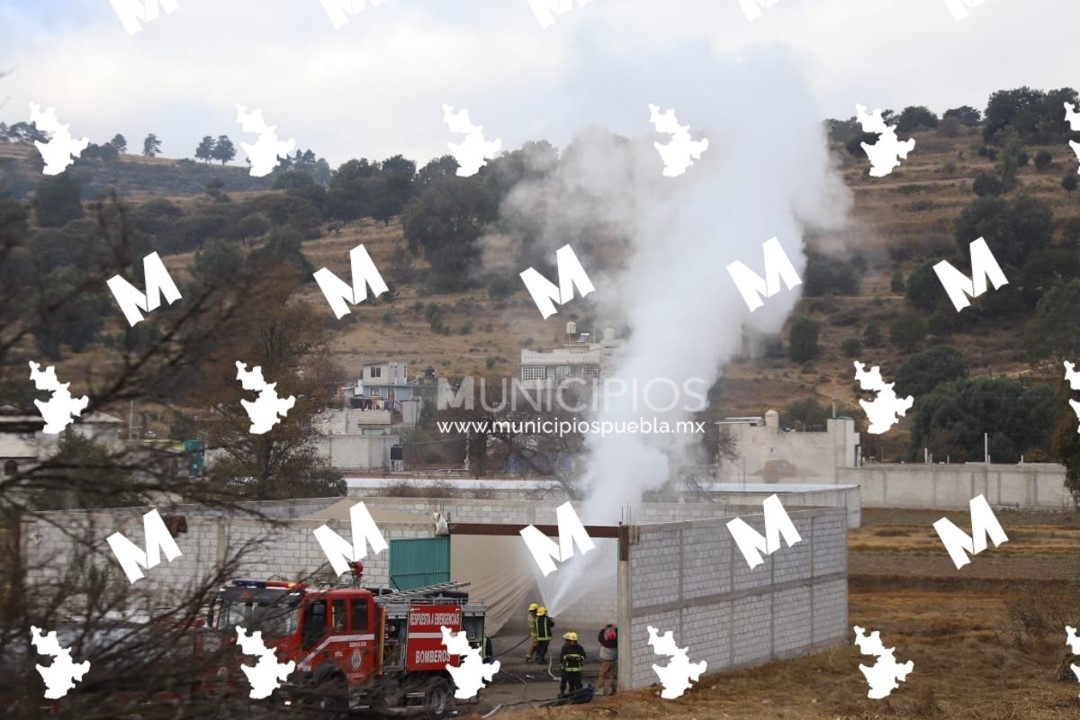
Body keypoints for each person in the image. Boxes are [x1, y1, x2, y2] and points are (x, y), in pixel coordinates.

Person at [559, 631, 586, 697]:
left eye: (574, 641)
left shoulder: (579, 648)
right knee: (564, 682)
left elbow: (584, 656)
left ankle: (577, 694)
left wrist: (580, 658)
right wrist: (566, 658)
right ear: (569, 640)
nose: (573, 642)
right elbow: (562, 658)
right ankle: (562, 693)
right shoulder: (565, 648)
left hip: (576, 670)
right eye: (571, 641)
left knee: (577, 683)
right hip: (567, 669)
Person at [597, 624, 617, 696]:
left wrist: (604, 629)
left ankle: (601, 690)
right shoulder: (615, 643)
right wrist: (615, 629)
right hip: (613, 661)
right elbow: (617, 634)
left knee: (602, 675)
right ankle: (611, 690)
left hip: (605, 661)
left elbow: (600, 636)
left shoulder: (604, 642)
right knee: (612, 676)